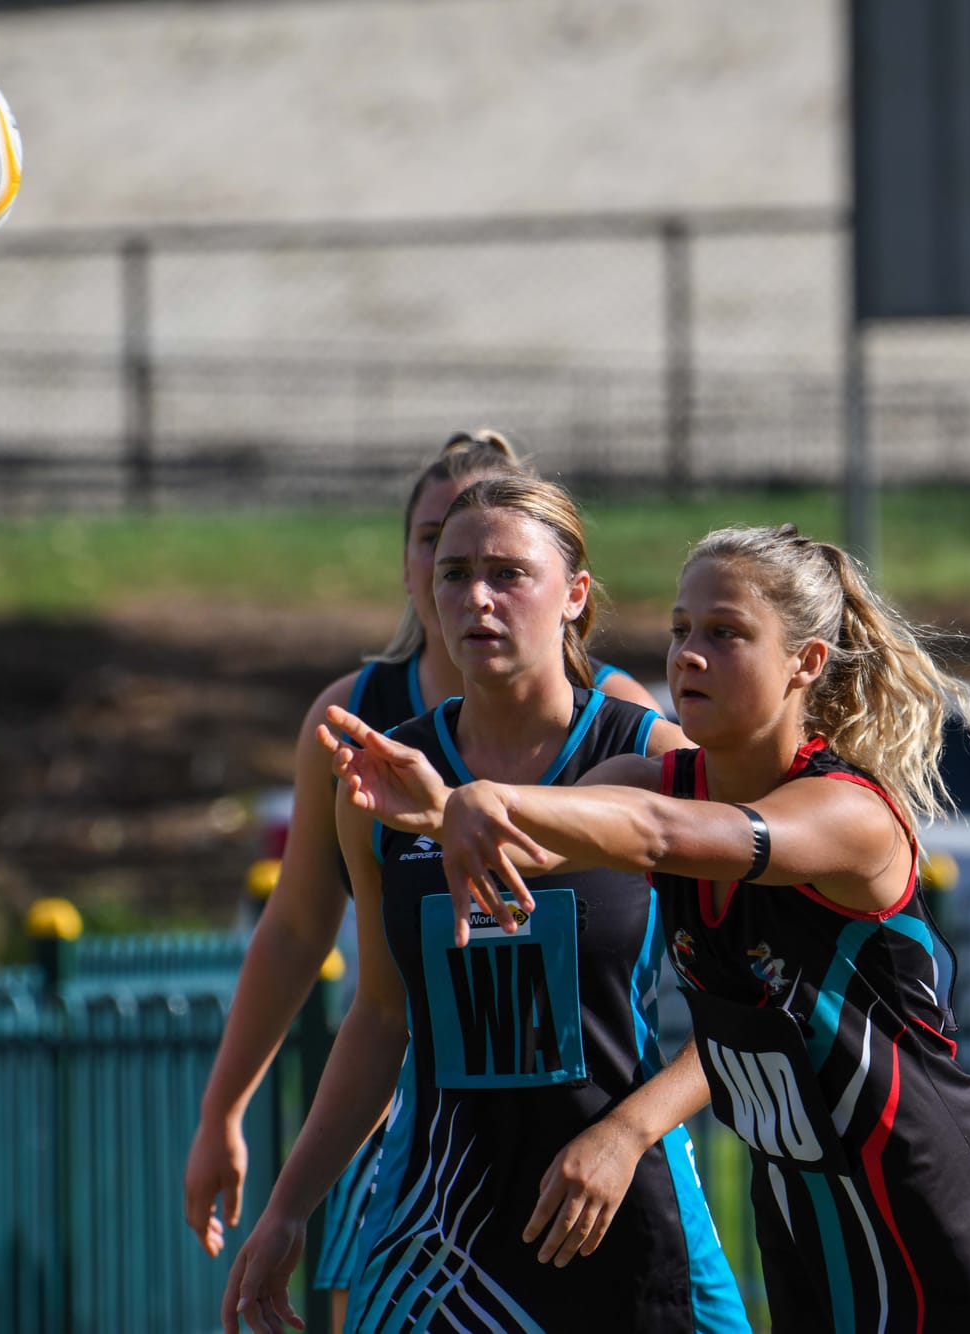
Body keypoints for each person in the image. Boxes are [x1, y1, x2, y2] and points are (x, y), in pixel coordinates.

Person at [329, 523, 970, 1333]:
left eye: (726, 633)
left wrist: (481, 804)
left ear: (805, 663)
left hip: (932, 1207)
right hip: (807, 1214)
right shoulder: (652, 779)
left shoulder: (847, 812)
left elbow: (660, 834)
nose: (689, 655)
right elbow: (561, 837)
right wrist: (440, 811)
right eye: (680, 631)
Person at [224, 477, 748, 1334]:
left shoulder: (649, 755)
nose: (477, 597)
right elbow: (381, 1016)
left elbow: (754, 1006)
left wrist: (625, 1136)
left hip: (619, 1201)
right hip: (439, 1229)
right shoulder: (385, 778)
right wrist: (289, 1209)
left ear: (575, 596)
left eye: (510, 573)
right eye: (455, 571)